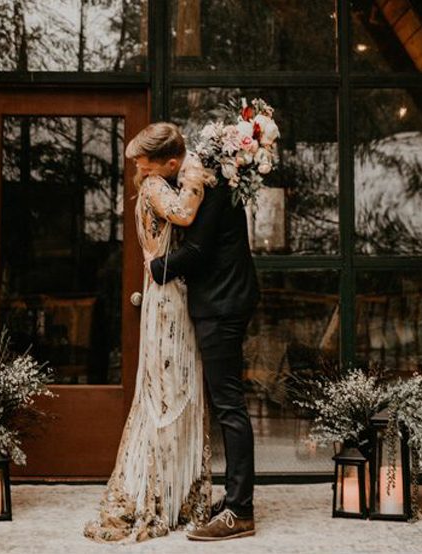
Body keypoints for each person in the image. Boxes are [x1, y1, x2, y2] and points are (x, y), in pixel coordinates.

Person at [83, 122, 214, 543]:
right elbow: (185, 214)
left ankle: (177, 493)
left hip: (171, 294)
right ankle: (158, 495)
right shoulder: (157, 186)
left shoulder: (154, 183)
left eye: (144, 157)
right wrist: (196, 175)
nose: (138, 164)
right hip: (166, 299)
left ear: (166, 159)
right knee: (167, 392)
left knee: (176, 389)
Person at [149, 129, 260, 541]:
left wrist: (156, 267)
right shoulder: (211, 185)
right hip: (225, 302)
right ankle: (235, 497)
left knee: (230, 405)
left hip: (223, 305)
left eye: (151, 166)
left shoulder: (209, 192)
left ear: (175, 163)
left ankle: (240, 512)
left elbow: (196, 253)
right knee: (226, 403)